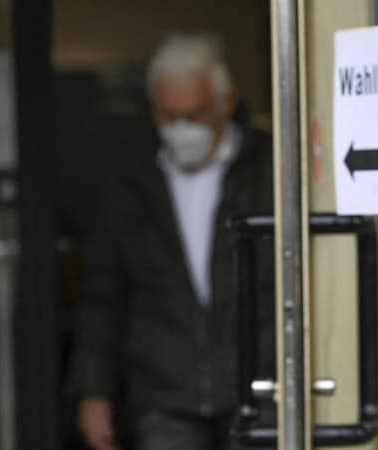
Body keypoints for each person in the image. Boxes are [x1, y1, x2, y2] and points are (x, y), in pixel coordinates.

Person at [66, 33, 273, 450]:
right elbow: (104, 297)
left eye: (194, 115)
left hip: (257, 386)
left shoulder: (269, 172)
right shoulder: (131, 185)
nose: (181, 129)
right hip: (163, 393)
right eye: (168, 116)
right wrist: (94, 391)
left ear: (225, 102)